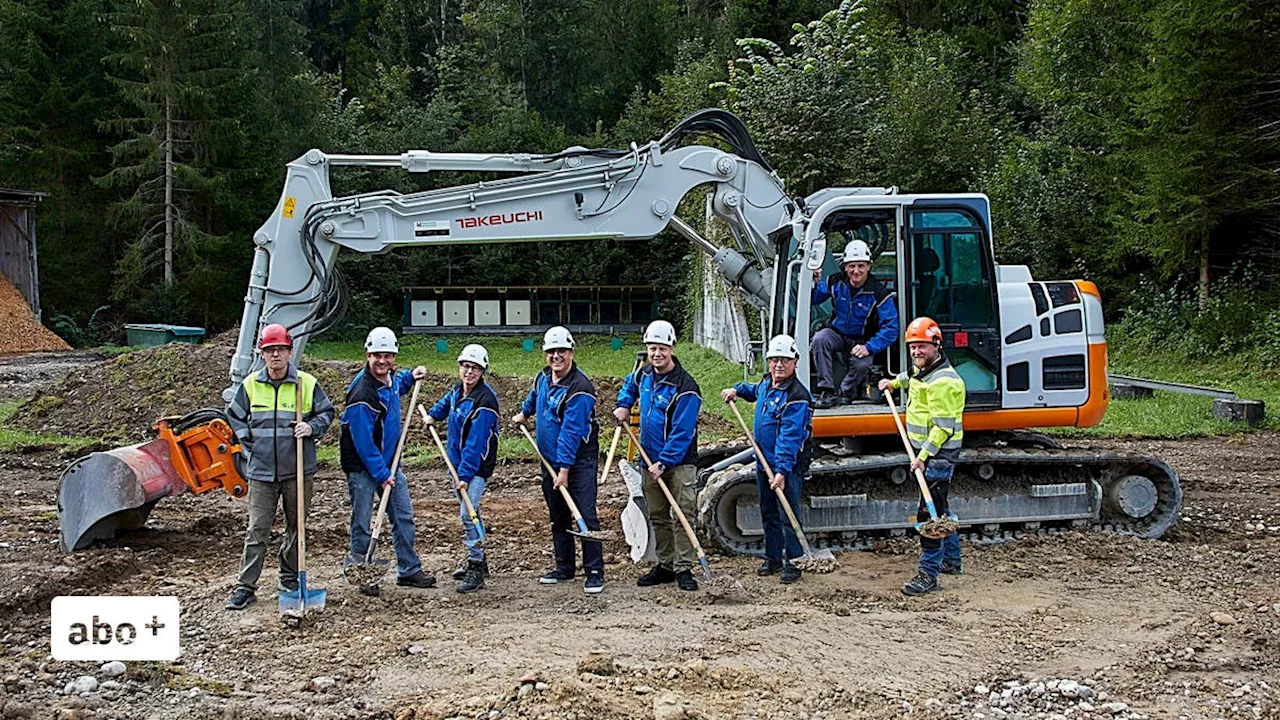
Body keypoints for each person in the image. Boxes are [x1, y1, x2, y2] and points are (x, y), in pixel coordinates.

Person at [225, 324, 335, 610]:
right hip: (261, 472)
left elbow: (327, 412)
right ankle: (245, 586)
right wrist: (247, 444)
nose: (275, 355)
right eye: (270, 350)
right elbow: (234, 417)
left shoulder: (306, 384)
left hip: (298, 469)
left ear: (289, 352)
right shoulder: (250, 385)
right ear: (262, 354)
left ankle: (288, 579)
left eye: (281, 350)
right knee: (257, 529)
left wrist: (311, 427)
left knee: (296, 527)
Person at [340, 326, 435, 596]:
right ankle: (363, 570)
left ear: (394, 356)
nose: (382, 361)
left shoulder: (390, 379)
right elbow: (363, 442)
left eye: (388, 356)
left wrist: (409, 378)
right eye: (377, 356)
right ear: (368, 354)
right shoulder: (361, 393)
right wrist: (382, 474)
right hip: (363, 466)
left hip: (389, 462)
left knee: (402, 515)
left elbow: (394, 389)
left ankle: (408, 569)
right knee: (362, 519)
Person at [511, 326, 604, 594]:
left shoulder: (580, 389)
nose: (556, 356)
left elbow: (571, 434)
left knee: (585, 514)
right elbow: (535, 397)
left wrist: (563, 471)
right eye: (551, 351)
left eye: (561, 351)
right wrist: (524, 413)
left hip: (577, 462)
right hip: (549, 461)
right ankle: (564, 568)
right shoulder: (543, 378)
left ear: (571, 352)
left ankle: (595, 571)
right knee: (559, 516)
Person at [612, 320, 702, 591]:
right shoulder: (645, 375)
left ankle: (684, 568)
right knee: (658, 514)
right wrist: (624, 405)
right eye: (652, 348)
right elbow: (629, 386)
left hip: (678, 463)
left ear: (671, 348)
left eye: (662, 348)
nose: (656, 354)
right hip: (649, 460)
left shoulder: (686, 388)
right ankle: (666, 565)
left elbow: (683, 432)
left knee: (683, 514)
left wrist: (664, 462)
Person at [878, 316, 965, 596]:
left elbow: (943, 428)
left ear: (936, 346)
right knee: (942, 507)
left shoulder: (945, 382)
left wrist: (923, 457)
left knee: (929, 515)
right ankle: (951, 560)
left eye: (922, 347)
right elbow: (910, 377)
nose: (916, 352)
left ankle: (929, 575)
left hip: (937, 454)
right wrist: (892, 384)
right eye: (913, 347)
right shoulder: (923, 370)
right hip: (924, 451)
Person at [720, 334, 813, 584]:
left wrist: (782, 470)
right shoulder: (766, 384)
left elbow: (790, 437)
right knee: (768, 511)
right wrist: (737, 390)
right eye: (774, 360)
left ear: (795, 361)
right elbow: (752, 391)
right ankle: (772, 557)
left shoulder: (797, 396)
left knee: (787, 513)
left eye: (784, 360)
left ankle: (793, 562)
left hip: (786, 466)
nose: (778, 365)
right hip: (764, 462)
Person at [422, 344, 499, 594]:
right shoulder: (458, 391)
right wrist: (433, 415)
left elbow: (476, 445)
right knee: (471, 511)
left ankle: (475, 566)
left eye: (475, 368)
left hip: (475, 467)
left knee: (468, 514)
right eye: (466, 366)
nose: (469, 372)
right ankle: (479, 559)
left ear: (482, 371)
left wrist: (464, 475)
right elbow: (447, 404)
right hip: (456, 463)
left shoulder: (485, 402)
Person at [810, 239, 899, 408]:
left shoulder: (879, 293)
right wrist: (813, 282)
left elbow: (891, 328)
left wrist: (869, 347)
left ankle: (846, 392)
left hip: (863, 340)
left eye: (860, 266)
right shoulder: (834, 282)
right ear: (845, 267)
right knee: (820, 339)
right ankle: (826, 390)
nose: (856, 271)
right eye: (852, 266)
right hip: (837, 334)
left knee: (862, 364)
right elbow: (813, 299)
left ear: (868, 266)